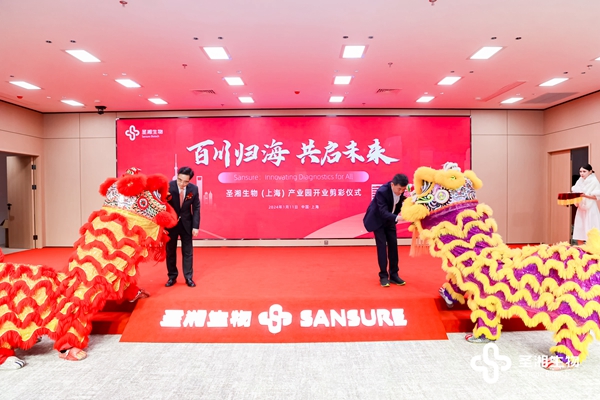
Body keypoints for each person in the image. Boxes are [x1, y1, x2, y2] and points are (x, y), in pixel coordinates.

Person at [363, 173, 409, 287]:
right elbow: (383, 212)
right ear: (392, 185)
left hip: (390, 220)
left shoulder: (402, 192)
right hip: (378, 221)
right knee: (382, 247)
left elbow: (399, 205)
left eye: (403, 189)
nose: (400, 192)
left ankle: (394, 275)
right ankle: (383, 276)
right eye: (399, 189)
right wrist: (399, 218)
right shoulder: (382, 192)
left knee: (393, 246)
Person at [165, 166, 201, 287]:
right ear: (177, 176)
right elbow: (162, 205)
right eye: (180, 180)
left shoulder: (194, 189)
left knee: (188, 252)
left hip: (187, 224)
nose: (182, 184)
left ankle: (188, 277)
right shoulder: (168, 186)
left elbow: (196, 208)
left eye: (185, 182)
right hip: (171, 224)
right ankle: (172, 277)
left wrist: (195, 226)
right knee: (170, 251)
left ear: (189, 180)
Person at [571, 163, 600, 245]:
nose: (582, 173)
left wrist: (585, 195)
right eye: (580, 171)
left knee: (591, 229)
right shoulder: (580, 181)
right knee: (580, 229)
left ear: (590, 171)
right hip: (581, 208)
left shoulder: (594, 181)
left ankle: (592, 250)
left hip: (590, 208)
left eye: (584, 171)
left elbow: (596, 197)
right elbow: (576, 192)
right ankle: (581, 250)